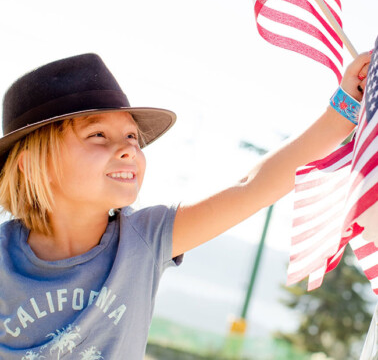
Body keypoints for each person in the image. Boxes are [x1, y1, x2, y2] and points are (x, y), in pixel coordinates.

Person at [0, 51, 371, 360]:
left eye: (132, 135)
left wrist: (345, 107)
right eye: (98, 135)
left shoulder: (146, 239)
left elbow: (250, 187)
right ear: (34, 163)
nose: (129, 148)